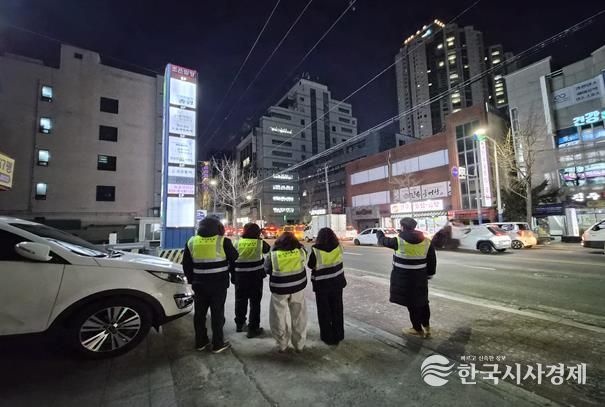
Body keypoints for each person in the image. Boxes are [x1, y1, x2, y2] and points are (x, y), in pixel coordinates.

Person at [183, 217, 238, 353]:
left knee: (199, 314)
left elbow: (186, 264)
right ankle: (218, 344)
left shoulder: (192, 241)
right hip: (218, 284)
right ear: (218, 228)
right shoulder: (223, 241)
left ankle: (200, 342)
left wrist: (191, 280)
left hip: (199, 284)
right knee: (217, 313)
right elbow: (234, 257)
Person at [376, 217, 437, 338]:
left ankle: (417, 329)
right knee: (423, 302)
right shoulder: (427, 242)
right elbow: (432, 261)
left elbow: (382, 241)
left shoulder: (398, 241)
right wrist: (429, 274)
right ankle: (427, 327)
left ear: (402, 227)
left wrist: (379, 233)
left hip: (404, 279)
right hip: (420, 278)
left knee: (412, 304)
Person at [264, 232, 308, 352]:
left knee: (278, 316)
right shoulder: (301, 252)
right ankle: (299, 344)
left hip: (279, 289)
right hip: (297, 287)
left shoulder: (273, 255)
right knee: (299, 316)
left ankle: (282, 344)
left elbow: (267, 269)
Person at [307, 227, 347, 346]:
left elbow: (310, 265)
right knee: (337, 309)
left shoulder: (316, 250)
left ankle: (327, 336)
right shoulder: (339, 247)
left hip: (322, 285)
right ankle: (339, 334)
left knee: (324, 312)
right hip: (337, 283)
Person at [233, 223, 271, 338]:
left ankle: (240, 324)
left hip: (240, 276)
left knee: (240, 300)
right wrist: (259, 237)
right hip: (255, 277)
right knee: (255, 303)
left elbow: (231, 258)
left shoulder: (237, 243)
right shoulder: (260, 243)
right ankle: (253, 329)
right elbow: (267, 249)